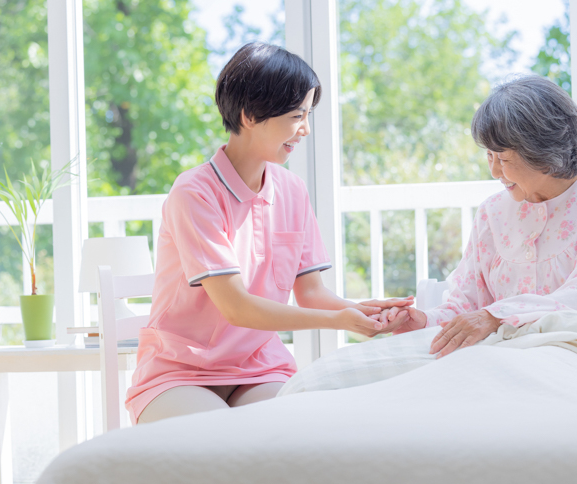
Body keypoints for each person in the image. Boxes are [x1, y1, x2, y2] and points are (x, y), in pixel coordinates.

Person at [127, 43, 411, 424]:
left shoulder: (292, 190)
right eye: (297, 115)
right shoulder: (194, 193)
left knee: (294, 434)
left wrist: (361, 310)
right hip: (181, 371)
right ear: (249, 115)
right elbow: (237, 307)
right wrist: (340, 321)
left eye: (308, 115)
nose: (306, 130)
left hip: (259, 366)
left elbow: (311, 293)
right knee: (216, 444)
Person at [387, 75, 577, 356]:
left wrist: (497, 316)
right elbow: (467, 303)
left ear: (541, 151)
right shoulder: (492, 213)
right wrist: (425, 321)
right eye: (488, 156)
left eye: (502, 158)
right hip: (511, 357)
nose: (494, 171)